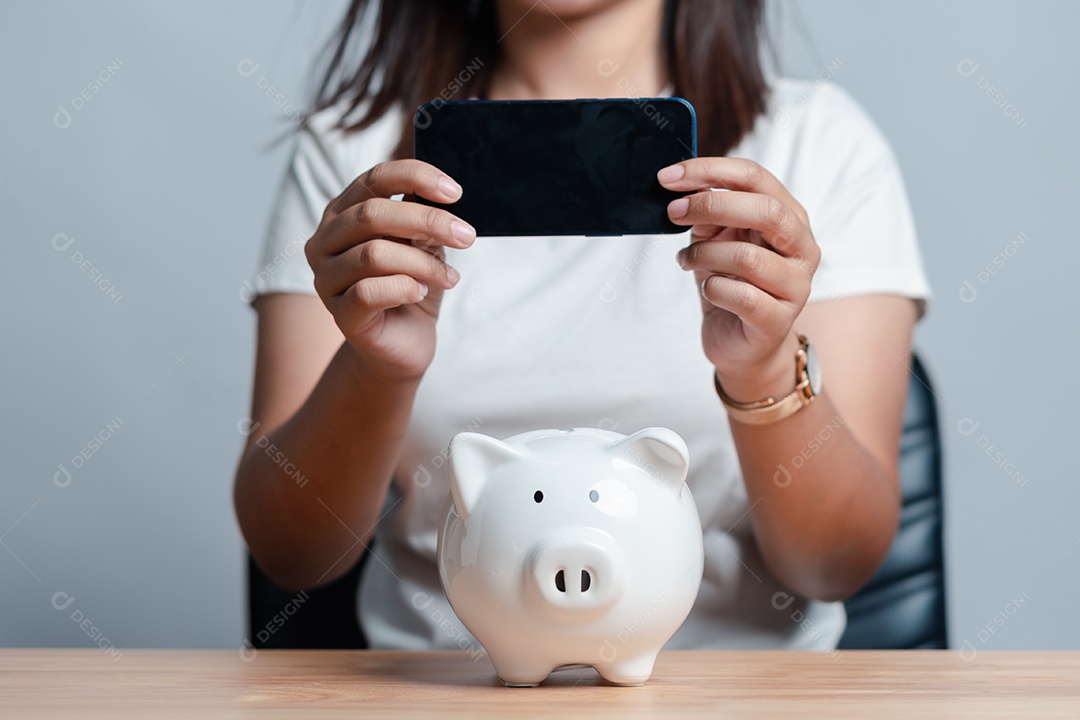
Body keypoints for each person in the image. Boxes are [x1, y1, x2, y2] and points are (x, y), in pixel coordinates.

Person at [234, 0, 930, 652]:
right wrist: (377, 367)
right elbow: (292, 554)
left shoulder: (822, 144)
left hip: (737, 694)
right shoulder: (356, 158)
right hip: (444, 690)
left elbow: (837, 565)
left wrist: (765, 369)